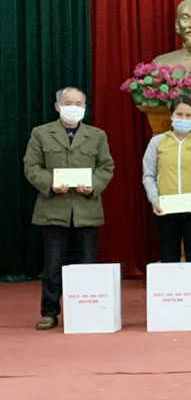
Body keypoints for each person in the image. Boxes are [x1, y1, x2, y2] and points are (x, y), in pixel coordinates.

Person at [23, 87, 115, 330]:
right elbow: (31, 166)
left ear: (85, 107)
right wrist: (51, 183)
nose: (73, 107)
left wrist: (93, 185)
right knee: (52, 265)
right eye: (68, 102)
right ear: (57, 106)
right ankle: (49, 312)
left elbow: (106, 166)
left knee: (87, 263)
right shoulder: (41, 133)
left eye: (78, 103)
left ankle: (87, 311)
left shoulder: (97, 135)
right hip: (53, 208)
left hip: (86, 209)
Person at [141, 97, 191, 316]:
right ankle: (172, 307)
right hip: (165, 209)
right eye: (179, 114)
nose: (183, 119)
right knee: (169, 257)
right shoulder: (157, 142)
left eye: (188, 115)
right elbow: (148, 174)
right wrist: (154, 199)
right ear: (171, 116)